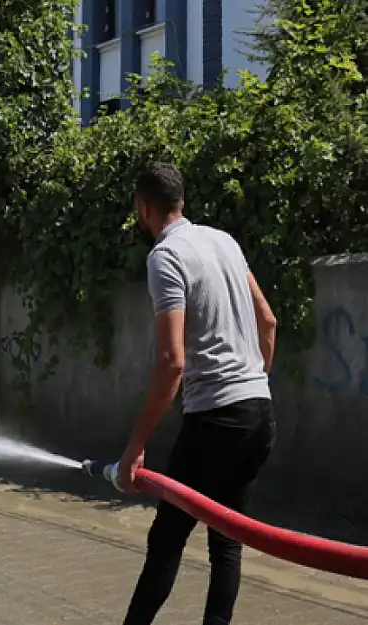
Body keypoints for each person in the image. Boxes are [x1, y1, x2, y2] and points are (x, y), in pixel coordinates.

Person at [119, 162, 278, 625]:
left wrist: (135, 447)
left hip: (216, 419)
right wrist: (253, 384)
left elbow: (172, 362)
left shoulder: (165, 256)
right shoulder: (224, 241)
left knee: (167, 540)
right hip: (259, 414)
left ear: (145, 208)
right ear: (181, 202)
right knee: (227, 543)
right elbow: (267, 322)